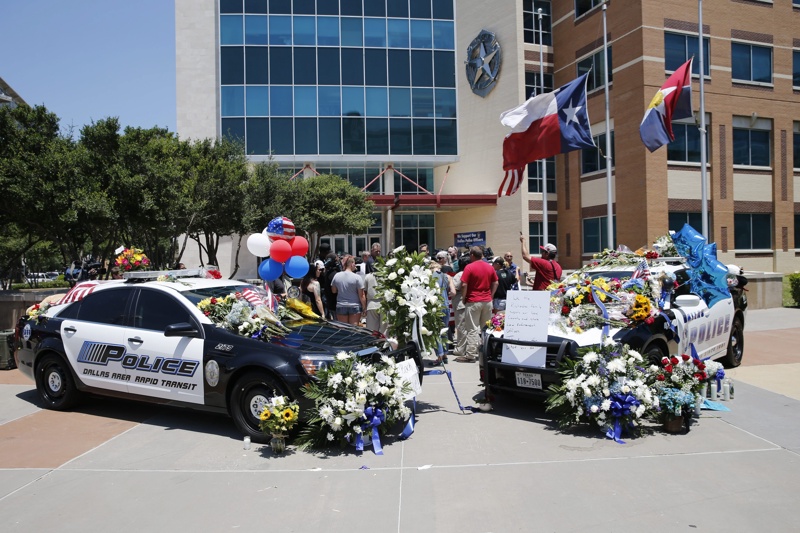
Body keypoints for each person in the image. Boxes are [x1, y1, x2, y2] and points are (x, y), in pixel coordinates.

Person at [456, 246, 498, 363]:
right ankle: (488, 351)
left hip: (473, 301)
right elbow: (496, 282)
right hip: (487, 300)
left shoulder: (469, 267)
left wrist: (464, 298)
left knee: (472, 329)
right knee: (486, 329)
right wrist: (491, 295)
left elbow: (464, 285)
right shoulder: (489, 267)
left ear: (472, 255)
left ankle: (471, 354)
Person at [331, 256, 366, 325]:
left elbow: (334, 291)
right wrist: (364, 307)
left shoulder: (337, 276)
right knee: (353, 330)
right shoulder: (357, 277)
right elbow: (361, 295)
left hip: (341, 305)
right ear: (352, 264)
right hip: (354, 305)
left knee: (343, 330)